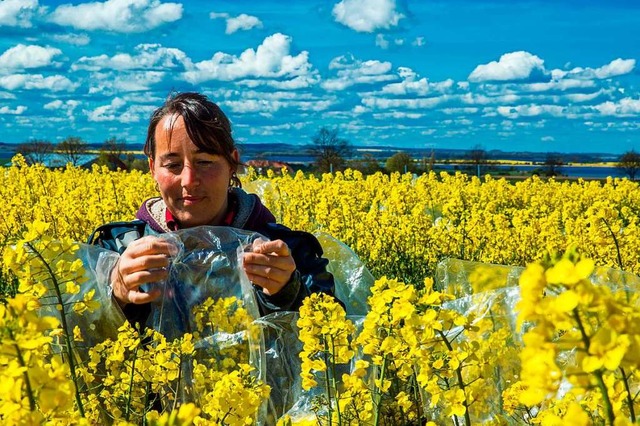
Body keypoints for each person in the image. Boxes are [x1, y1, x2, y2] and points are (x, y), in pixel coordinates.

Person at [88, 91, 336, 325]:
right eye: (172, 164)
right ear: (153, 168)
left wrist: (289, 292)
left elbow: (334, 345)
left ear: (232, 164)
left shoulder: (288, 252)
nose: (189, 180)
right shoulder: (116, 249)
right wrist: (115, 293)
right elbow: (75, 341)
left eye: (205, 162)